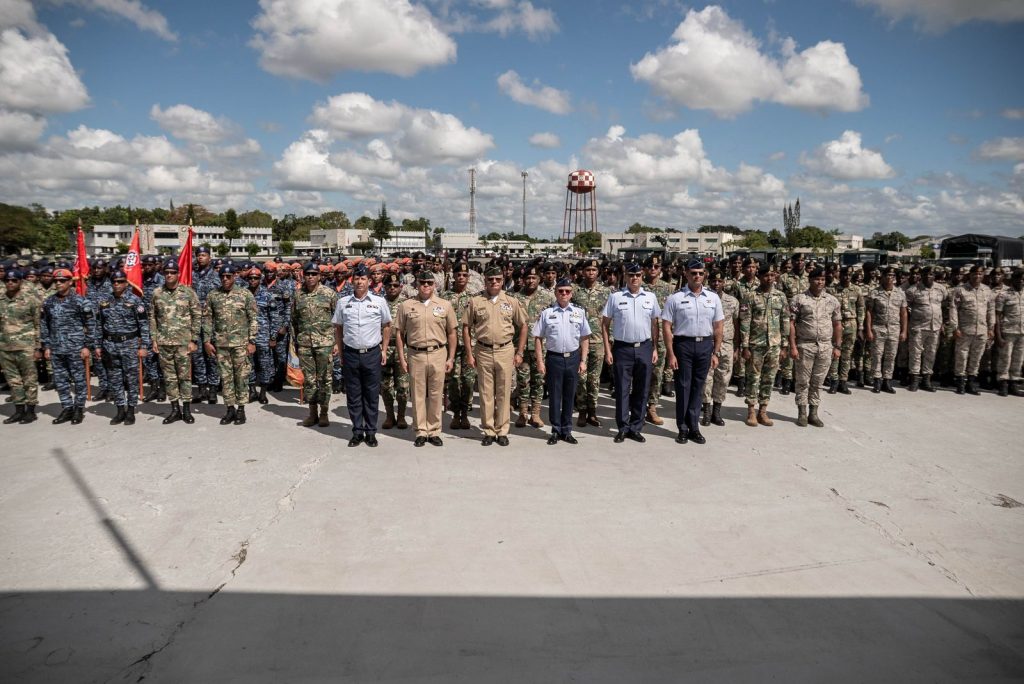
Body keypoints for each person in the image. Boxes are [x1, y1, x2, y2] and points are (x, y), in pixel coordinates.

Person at [661, 260, 724, 445]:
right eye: (693, 273)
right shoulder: (675, 298)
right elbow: (666, 326)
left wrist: (715, 352)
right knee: (683, 386)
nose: (697, 276)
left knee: (698, 387)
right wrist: (671, 354)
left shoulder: (712, 298)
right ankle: (682, 428)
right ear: (686, 274)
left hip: (705, 345)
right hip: (683, 345)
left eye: (701, 273)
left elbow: (718, 327)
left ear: (705, 275)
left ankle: (694, 427)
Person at [464, 266, 528, 446]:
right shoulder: (476, 301)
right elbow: (466, 327)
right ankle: (489, 430)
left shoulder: (511, 301)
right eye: (490, 279)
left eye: (498, 279)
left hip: (505, 350)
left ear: (502, 281)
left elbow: (523, 325)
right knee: (486, 393)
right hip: (483, 351)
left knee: (503, 392)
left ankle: (502, 430)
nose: (494, 282)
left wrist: (520, 351)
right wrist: (469, 354)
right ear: (485, 281)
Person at [395, 270, 458, 447]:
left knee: (437, 394)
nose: (426, 286)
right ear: (417, 284)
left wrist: (451, 357)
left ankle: (435, 430)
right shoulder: (406, 305)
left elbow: (452, 333)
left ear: (435, 285)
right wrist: (402, 357)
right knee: (418, 394)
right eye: (422, 282)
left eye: (429, 283)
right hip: (416, 354)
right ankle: (421, 431)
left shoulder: (445, 305)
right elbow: (399, 333)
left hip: (438, 353)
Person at [333, 263, 392, 447]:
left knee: (372, 394)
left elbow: (387, 325)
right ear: (352, 281)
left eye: (363, 278)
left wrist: (383, 349)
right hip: (351, 354)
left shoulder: (379, 302)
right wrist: (341, 352)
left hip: (372, 353)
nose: (359, 282)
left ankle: (371, 431)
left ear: (369, 281)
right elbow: (338, 328)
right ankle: (357, 431)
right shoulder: (343, 302)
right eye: (357, 278)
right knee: (354, 394)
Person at [602, 262, 661, 443]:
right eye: (631, 275)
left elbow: (654, 324)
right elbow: (605, 324)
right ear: (625, 277)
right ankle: (622, 427)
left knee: (642, 389)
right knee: (622, 389)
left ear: (642, 276)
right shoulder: (615, 297)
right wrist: (608, 350)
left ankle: (636, 426)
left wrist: (655, 348)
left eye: (637, 275)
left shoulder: (650, 297)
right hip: (622, 348)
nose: (634, 278)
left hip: (644, 347)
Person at [533, 278, 590, 444]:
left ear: (571, 293)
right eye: (561, 291)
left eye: (567, 291)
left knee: (569, 396)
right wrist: (540, 361)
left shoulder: (579, 313)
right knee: (555, 396)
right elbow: (538, 337)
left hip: (573, 358)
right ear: (555, 292)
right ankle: (555, 430)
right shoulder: (547, 313)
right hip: (554, 358)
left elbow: (585, 337)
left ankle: (567, 430)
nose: (564, 294)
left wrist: (583, 360)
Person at [203, 265, 258, 425]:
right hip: (221, 345)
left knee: (241, 377)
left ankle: (241, 409)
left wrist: (252, 340)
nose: (225, 279)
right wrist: (206, 341)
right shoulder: (213, 295)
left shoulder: (245, 294)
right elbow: (207, 319)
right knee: (226, 378)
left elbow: (253, 318)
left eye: (228, 276)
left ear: (234, 276)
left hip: (241, 344)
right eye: (222, 276)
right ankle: (230, 409)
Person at [94, 270, 150, 425]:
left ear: (126, 283)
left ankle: (131, 410)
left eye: (120, 281)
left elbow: (144, 325)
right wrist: (97, 345)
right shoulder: (104, 301)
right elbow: (98, 325)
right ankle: (120, 410)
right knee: (115, 379)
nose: (117, 284)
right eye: (114, 282)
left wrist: (144, 346)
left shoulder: (135, 301)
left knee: (131, 379)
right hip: (110, 345)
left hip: (129, 344)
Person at [788, 267, 842, 427]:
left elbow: (838, 324)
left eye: (823, 279)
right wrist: (793, 346)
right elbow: (791, 323)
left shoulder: (832, 300)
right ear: (810, 280)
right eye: (817, 279)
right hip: (805, 345)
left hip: (825, 346)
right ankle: (802, 413)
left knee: (818, 381)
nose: (820, 282)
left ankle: (814, 413)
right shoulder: (799, 299)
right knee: (803, 381)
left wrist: (837, 346)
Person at [41, 268, 95, 425]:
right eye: (56, 281)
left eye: (62, 280)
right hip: (57, 348)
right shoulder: (49, 302)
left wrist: (87, 346)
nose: (58, 283)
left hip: (76, 348)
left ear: (70, 282)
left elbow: (91, 325)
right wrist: (46, 346)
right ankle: (67, 407)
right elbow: (45, 324)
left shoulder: (81, 302)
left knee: (79, 380)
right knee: (61, 381)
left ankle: (79, 408)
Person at [149, 259, 200, 424]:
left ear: (178, 274)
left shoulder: (188, 292)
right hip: (164, 343)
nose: (169, 275)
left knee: (185, 377)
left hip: (183, 343)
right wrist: (154, 339)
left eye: (172, 272)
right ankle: (174, 410)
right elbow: (153, 317)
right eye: (167, 273)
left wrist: (194, 339)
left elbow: (197, 315)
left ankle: (187, 410)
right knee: (169, 378)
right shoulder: (157, 293)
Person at [739, 265, 789, 428]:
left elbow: (785, 321)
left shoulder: (781, 296)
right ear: (759, 277)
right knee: (753, 378)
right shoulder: (750, 296)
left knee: (769, 378)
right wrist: (745, 346)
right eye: (766, 275)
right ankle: (751, 411)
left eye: (772, 275)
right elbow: (745, 322)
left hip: (774, 344)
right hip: (756, 344)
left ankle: (763, 410)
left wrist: (784, 346)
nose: (769, 278)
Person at [292, 263, 340, 427]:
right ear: (303, 276)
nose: (310, 277)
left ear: (320, 276)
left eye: (314, 274)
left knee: (325, 379)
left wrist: (336, 343)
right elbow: (294, 321)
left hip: (325, 344)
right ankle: (312, 414)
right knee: (309, 380)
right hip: (305, 344)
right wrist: (295, 343)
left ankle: (324, 413)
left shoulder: (329, 294)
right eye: (308, 274)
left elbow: (338, 320)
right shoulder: (298, 295)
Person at [571, 259, 610, 427]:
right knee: (581, 378)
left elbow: (611, 319)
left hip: (599, 341)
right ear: (582, 272)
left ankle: (592, 412)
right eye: (587, 270)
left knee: (594, 380)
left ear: (598, 272)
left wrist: (611, 342)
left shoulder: (607, 292)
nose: (591, 273)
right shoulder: (574, 291)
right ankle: (582, 411)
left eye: (594, 270)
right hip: (579, 343)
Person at [513, 265, 554, 429]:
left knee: (538, 381)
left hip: (540, 347)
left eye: (534, 278)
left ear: (539, 279)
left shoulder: (548, 298)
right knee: (523, 381)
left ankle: (535, 414)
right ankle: (523, 413)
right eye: (528, 278)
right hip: (520, 347)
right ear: (523, 279)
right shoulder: (515, 298)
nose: (530, 281)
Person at [1, 270, 42, 424]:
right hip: (5, 346)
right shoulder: (0, 299)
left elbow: (38, 324)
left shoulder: (30, 300)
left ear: (20, 282)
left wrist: (38, 347)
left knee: (30, 379)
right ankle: (19, 410)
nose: (10, 283)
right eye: (7, 280)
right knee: (13, 380)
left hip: (26, 346)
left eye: (14, 280)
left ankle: (30, 411)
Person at [440, 261, 478, 429]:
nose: (461, 277)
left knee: (469, 380)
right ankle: (456, 414)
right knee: (454, 380)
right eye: (458, 275)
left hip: (471, 344)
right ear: (453, 276)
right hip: (451, 346)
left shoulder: (475, 297)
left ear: (468, 277)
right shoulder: (445, 296)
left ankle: (465, 413)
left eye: (464, 275)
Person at [701, 271, 740, 427]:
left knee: (723, 378)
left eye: (719, 280)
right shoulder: (703, 299)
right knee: (706, 378)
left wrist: (737, 348)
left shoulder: (732, 301)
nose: (716, 283)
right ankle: (706, 411)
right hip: (708, 342)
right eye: (713, 280)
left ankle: (717, 411)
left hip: (726, 344)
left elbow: (737, 325)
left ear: (724, 282)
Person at [949, 264, 995, 395]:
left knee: (976, 357)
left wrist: (991, 328)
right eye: (975, 274)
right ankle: (960, 383)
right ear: (970, 275)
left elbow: (990, 310)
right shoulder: (960, 290)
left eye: (980, 274)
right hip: (964, 329)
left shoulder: (987, 290)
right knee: (961, 356)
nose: (977, 276)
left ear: (983, 275)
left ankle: (971, 382)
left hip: (982, 330)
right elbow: (953, 309)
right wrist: (955, 327)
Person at [865, 267, 908, 394]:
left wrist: (904, 331)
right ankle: (877, 380)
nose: (890, 278)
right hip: (878, 327)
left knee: (891, 355)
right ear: (882, 277)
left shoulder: (900, 293)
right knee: (877, 355)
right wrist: (869, 330)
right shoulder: (874, 293)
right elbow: (869, 312)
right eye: (887, 275)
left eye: (892, 275)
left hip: (894, 328)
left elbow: (904, 313)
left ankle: (887, 381)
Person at [904, 266, 948, 392]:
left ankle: (926, 380)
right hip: (918, 327)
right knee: (915, 354)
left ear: (934, 276)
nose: (928, 277)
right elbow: (906, 308)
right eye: (926, 274)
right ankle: (914, 380)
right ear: (921, 276)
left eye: (931, 274)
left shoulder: (941, 289)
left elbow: (944, 306)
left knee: (931, 353)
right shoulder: (913, 290)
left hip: (935, 327)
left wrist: (942, 323)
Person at [643, 256, 675, 425]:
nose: (653, 269)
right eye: (650, 266)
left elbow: (672, 316)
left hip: (661, 339)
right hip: (641, 337)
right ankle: (639, 406)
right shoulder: (637, 287)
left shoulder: (669, 289)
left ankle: (652, 407)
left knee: (657, 374)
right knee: (639, 374)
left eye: (656, 266)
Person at [825, 267, 864, 394]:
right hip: (836, 324)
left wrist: (860, 327)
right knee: (835, 353)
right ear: (839, 275)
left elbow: (860, 309)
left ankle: (843, 381)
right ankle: (834, 381)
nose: (847, 277)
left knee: (847, 355)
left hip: (851, 324)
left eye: (849, 275)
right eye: (844, 274)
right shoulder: (832, 289)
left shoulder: (857, 290)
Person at [191, 246, 222, 404]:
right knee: (197, 357)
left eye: (203, 255)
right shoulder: (191, 276)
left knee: (212, 357)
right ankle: (202, 389)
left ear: (210, 257)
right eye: (198, 255)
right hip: (195, 322)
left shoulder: (217, 277)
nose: (200, 258)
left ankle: (213, 390)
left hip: (211, 323)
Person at [244, 266, 279, 405]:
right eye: (250, 278)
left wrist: (273, 337)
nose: (253, 280)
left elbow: (274, 317)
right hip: (246, 337)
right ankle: (252, 390)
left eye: (256, 278)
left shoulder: (267, 295)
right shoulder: (243, 294)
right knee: (249, 364)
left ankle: (263, 392)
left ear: (260, 279)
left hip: (263, 336)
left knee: (265, 365)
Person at [380, 273, 410, 429]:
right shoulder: (379, 302)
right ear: (384, 287)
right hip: (383, 347)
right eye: (389, 285)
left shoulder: (407, 304)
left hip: (402, 348)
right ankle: (389, 416)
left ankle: (402, 416)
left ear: (401, 287)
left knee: (403, 385)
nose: (392, 288)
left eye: (395, 285)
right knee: (385, 385)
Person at [994, 269, 1023, 396]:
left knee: (1018, 359)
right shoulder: (1004, 295)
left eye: (1023, 279)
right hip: (1008, 331)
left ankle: (1014, 382)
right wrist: (998, 335)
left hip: (1022, 332)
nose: (1021, 281)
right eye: (1019, 279)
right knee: (1005, 358)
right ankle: (1003, 382)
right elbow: (997, 316)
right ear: (1013, 280)